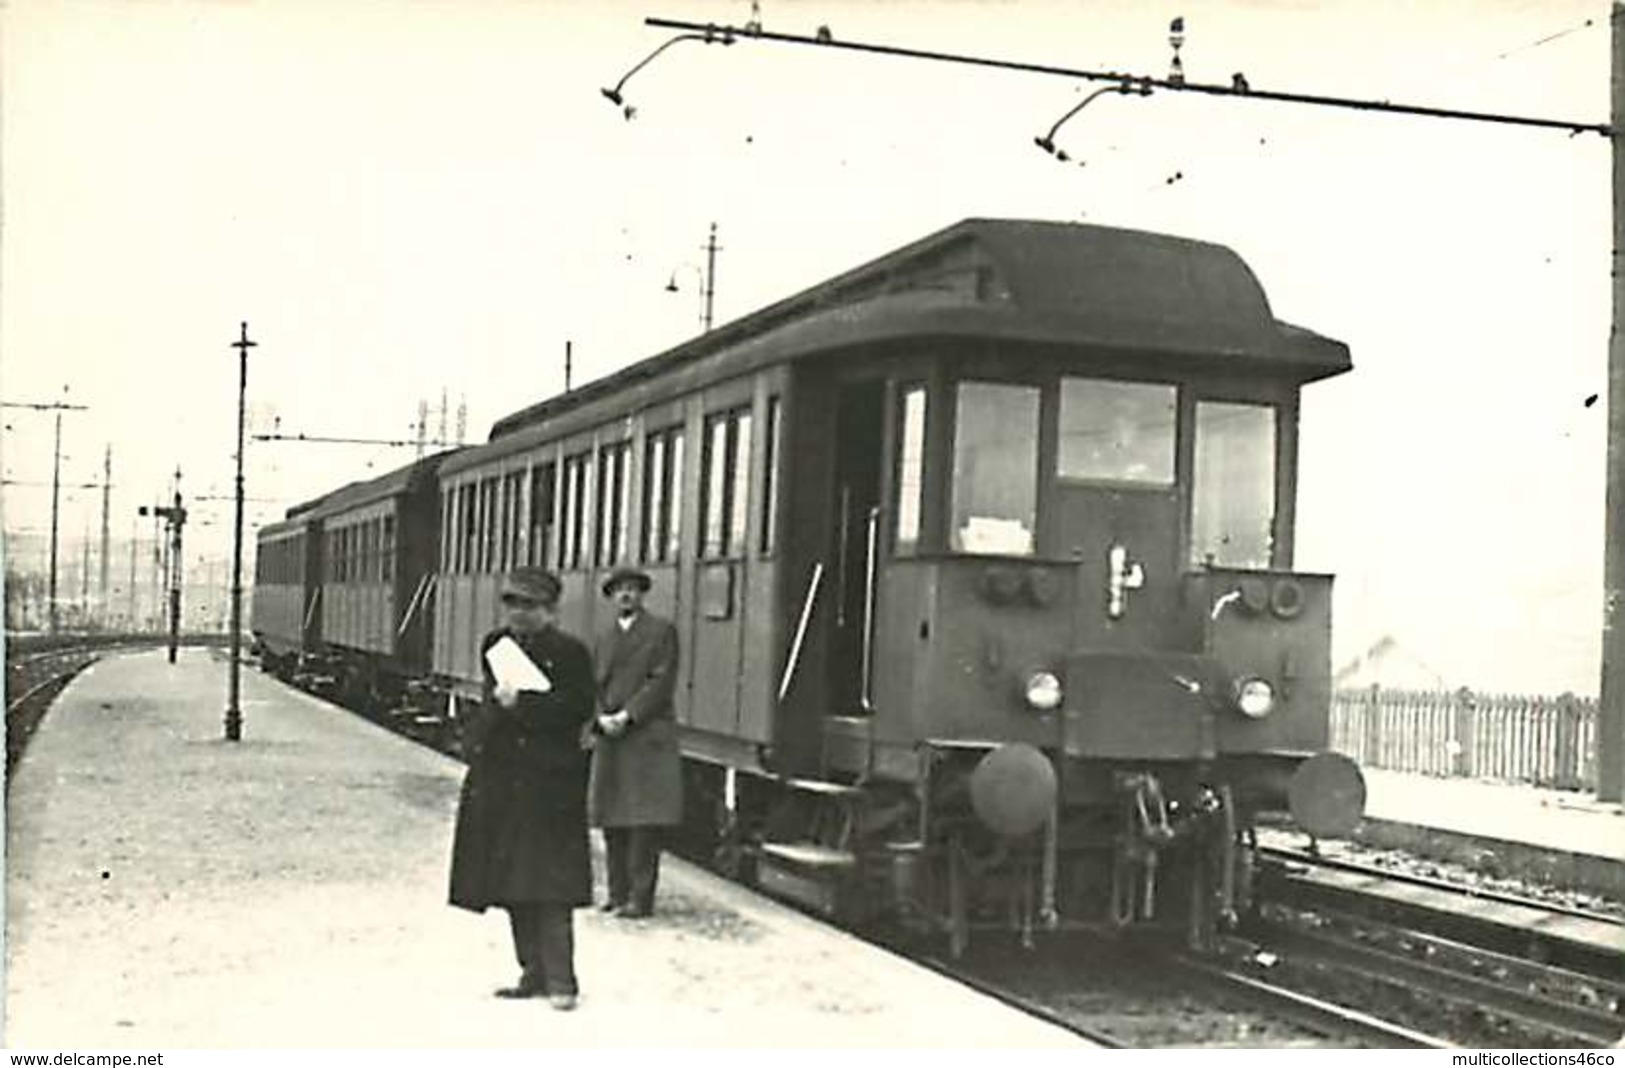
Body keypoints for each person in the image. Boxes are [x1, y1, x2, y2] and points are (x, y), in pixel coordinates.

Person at [448, 567, 594, 1010]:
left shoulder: (571, 653)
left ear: (551, 610)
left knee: (551, 884)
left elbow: (577, 709)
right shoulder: (496, 644)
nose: (517, 613)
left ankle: (563, 981)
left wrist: (524, 704)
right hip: (502, 775)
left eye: (528, 606)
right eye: (511, 604)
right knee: (511, 879)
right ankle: (531, 972)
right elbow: (495, 703)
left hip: (550, 780)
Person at [587, 566, 681, 919]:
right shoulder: (603, 636)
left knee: (643, 821)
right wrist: (600, 718)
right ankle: (616, 893)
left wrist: (627, 716)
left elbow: (660, 682)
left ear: (642, 595)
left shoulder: (661, 632)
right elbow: (592, 683)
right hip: (611, 735)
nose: (626, 595)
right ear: (612, 597)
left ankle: (640, 898)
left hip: (645, 736)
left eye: (633, 589)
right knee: (613, 818)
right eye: (620, 590)